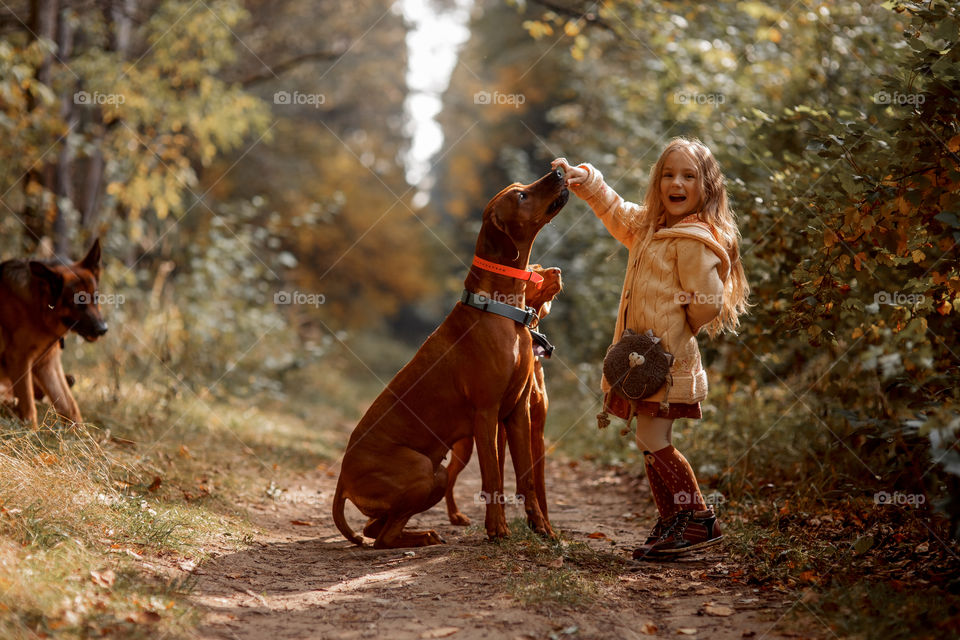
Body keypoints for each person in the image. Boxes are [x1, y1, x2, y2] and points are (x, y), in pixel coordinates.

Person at [552, 138, 749, 559]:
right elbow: (616, 210)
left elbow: (708, 302)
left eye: (688, 176)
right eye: (668, 174)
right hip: (642, 363)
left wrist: (674, 333)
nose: (676, 183)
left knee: (652, 436)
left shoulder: (694, 240)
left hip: (666, 362)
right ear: (658, 181)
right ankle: (674, 520)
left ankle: (696, 518)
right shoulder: (651, 228)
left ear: (707, 187)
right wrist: (589, 181)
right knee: (647, 438)